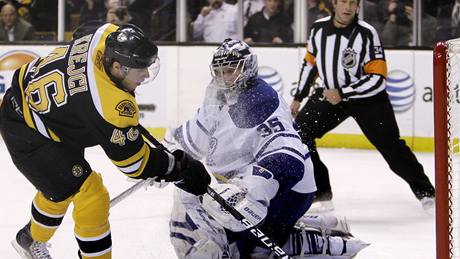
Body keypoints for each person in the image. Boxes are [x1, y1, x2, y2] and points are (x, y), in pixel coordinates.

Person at [0, 23, 211, 259]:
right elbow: (134, 164)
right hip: (28, 131)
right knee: (91, 195)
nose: (146, 75)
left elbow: (83, 31)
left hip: (43, 110)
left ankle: (29, 239)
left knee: (62, 186)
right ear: (118, 66)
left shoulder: (107, 34)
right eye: (139, 69)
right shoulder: (109, 105)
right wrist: (176, 168)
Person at [164, 39, 368, 258]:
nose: (223, 77)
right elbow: (195, 133)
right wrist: (162, 159)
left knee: (241, 252)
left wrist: (253, 191)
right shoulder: (217, 96)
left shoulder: (260, 101)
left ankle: (322, 241)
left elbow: (289, 159)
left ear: (248, 68)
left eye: (230, 70)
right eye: (219, 71)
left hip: (287, 191)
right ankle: (296, 228)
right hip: (241, 185)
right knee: (192, 218)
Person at [290, 0, 436, 212]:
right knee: (300, 133)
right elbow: (310, 64)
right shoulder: (318, 29)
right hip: (331, 95)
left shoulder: (367, 34)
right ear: (334, 3)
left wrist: (343, 93)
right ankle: (321, 192)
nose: (348, 7)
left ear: (358, 6)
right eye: (343, 2)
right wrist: (298, 97)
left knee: (392, 148)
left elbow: (377, 78)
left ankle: (426, 192)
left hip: (367, 99)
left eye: (353, 3)